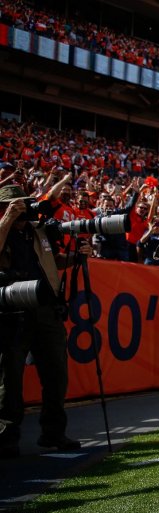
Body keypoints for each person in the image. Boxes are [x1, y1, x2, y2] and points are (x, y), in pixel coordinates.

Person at [0, 184, 88, 458]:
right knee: (9, 378)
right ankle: (6, 436)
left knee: (56, 374)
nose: (24, 209)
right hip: (11, 310)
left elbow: (54, 260)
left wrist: (75, 257)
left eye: (24, 204)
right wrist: (7, 219)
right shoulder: (4, 227)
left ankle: (53, 432)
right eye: (16, 204)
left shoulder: (36, 230)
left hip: (46, 308)